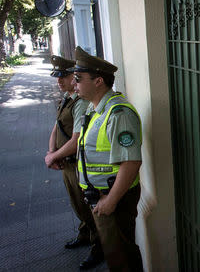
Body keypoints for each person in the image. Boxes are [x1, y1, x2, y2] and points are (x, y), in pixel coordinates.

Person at [71, 46, 143, 271]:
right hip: (101, 197)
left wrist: (111, 201)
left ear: (98, 81)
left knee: (122, 257)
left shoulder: (118, 113)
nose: (75, 84)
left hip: (114, 200)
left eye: (78, 79)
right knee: (114, 254)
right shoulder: (97, 110)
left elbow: (131, 162)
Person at [45, 55, 104, 270]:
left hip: (75, 162)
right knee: (76, 204)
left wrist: (54, 156)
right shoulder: (68, 98)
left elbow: (77, 138)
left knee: (85, 207)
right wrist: (51, 152)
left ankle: (98, 247)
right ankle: (85, 234)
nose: (59, 81)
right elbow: (56, 127)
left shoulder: (80, 103)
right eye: (57, 77)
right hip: (65, 162)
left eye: (65, 76)